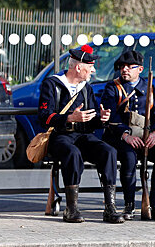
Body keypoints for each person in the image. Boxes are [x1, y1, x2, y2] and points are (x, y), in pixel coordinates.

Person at [38, 45, 124, 224]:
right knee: (72, 153)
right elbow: (44, 118)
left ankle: (110, 207)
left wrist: (102, 119)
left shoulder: (87, 88)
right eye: (90, 66)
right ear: (79, 67)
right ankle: (71, 209)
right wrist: (70, 117)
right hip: (60, 137)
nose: (93, 70)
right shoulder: (52, 84)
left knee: (109, 152)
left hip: (83, 136)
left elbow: (91, 121)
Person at [101, 50, 155, 221]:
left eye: (129, 67)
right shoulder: (113, 87)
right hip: (118, 137)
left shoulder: (149, 88)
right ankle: (129, 205)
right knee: (129, 157)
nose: (125, 70)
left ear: (140, 69)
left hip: (145, 136)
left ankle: (154, 205)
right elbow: (111, 117)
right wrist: (125, 135)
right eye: (122, 67)